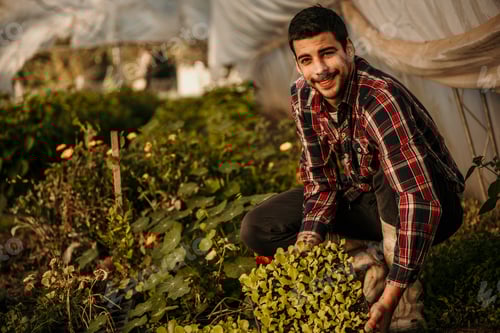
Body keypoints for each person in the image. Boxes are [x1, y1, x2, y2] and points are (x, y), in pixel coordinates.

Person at [240, 4, 465, 333]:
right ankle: (367, 259)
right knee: (258, 226)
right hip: (367, 200)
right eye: (306, 60)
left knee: (387, 173)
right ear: (298, 64)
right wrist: (306, 253)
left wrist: (389, 299)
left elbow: (417, 197)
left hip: (432, 206)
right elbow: (321, 183)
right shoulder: (303, 95)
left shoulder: (378, 98)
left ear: (349, 48)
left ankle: (401, 304)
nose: (320, 70)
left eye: (327, 53)